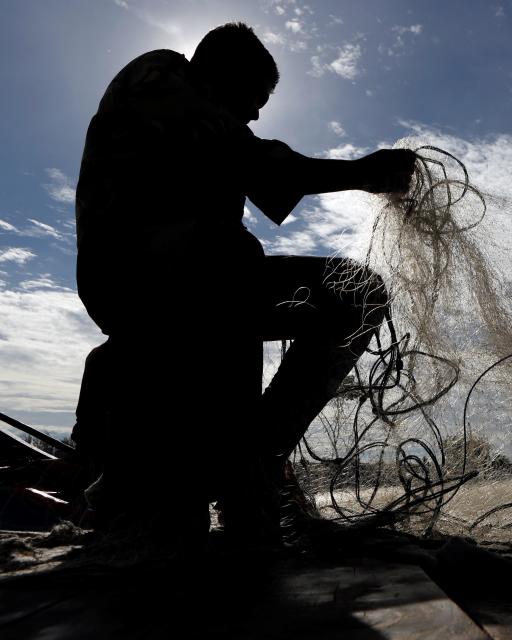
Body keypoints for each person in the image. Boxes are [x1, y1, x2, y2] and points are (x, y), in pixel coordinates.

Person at [70, 22, 414, 545]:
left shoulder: (206, 130)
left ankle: (247, 461)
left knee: (313, 284)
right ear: (220, 74)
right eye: (255, 97)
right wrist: (360, 172)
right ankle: (252, 459)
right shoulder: (157, 74)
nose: (255, 113)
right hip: (150, 283)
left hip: (205, 288)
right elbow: (257, 159)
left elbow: (255, 166)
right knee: (351, 290)